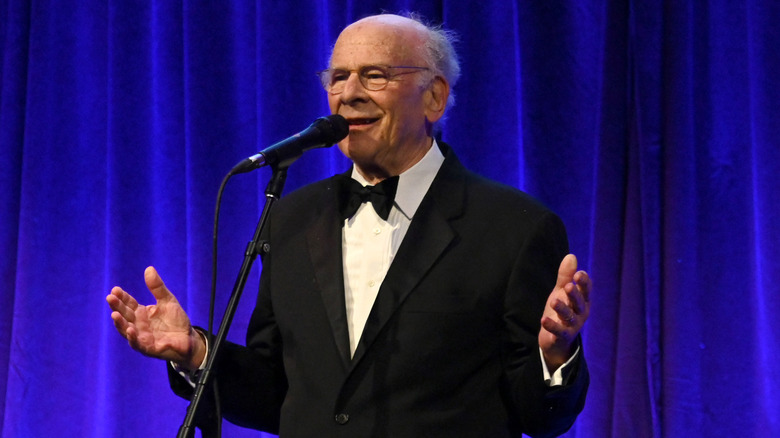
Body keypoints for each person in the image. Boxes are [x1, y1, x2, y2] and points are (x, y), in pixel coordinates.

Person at [106, 13, 591, 437]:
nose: (349, 93)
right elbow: (275, 393)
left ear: (434, 98)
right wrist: (195, 351)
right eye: (338, 77)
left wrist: (554, 355)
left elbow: (541, 418)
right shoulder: (292, 217)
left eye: (374, 75)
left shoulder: (515, 227)